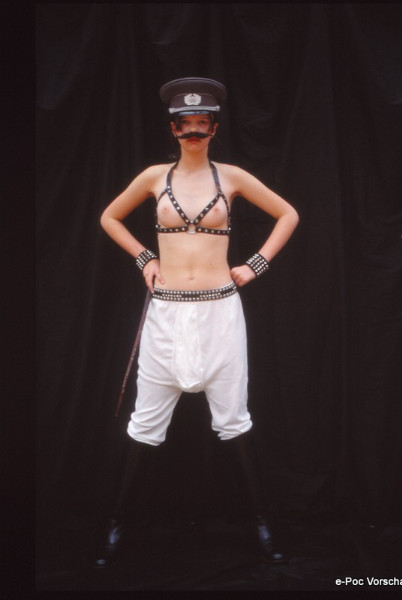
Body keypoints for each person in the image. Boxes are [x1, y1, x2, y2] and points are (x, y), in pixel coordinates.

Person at [94, 77, 299, 568]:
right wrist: (145, 257)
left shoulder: (232, 177)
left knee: (233, 417)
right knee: (146, 421)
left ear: (214, 128)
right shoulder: (153, 177)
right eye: (185, 125)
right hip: (166, 311)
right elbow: (109, 217)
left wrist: (255, 265)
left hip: (220, 310)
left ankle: (261, 522)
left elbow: (288, 214)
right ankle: (117, 523)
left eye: (201, 124)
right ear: (173, 129)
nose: (193, 133)